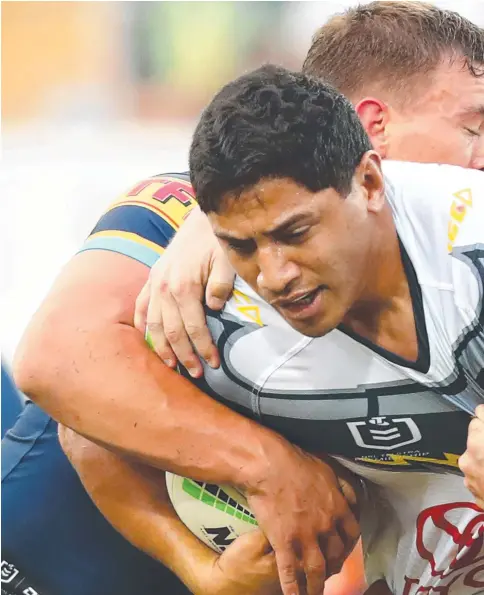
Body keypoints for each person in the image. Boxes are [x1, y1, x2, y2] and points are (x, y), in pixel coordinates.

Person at [8, 2, 484, 594]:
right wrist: (265, 468)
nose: (481, 154)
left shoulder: (436, 276)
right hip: (50, 551)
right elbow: (60, 364)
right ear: (370, 132)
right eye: (473, 125)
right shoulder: (197, 205)